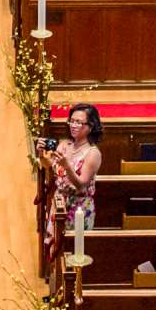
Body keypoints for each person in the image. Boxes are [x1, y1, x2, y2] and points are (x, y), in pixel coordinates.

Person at [49, 103, 102, 241]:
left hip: (79, 208)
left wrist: (67, 166)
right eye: (71, 121)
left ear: (90, 126)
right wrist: (42, 155)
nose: (73, 125)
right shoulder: (64, 145)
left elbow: (81, 185)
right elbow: (52, 169)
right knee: (53, 245)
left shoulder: (92, 153)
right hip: (59, 203)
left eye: (78, 122)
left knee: (73, 250)